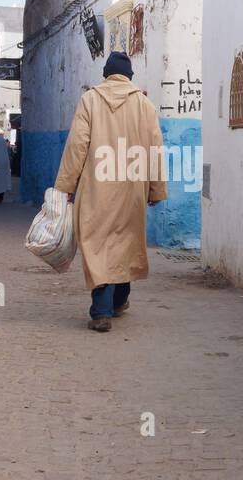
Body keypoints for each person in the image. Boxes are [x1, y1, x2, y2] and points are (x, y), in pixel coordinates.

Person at [54, 51, 167, 332]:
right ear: (129, 77)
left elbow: (77, 145)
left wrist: (66, 186)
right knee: (125, 242)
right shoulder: (145, 105)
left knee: (98, 245)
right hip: (133, 187)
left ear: (106, 75)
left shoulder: (90, 100)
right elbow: (155, 149)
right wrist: (155, 189)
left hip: (97, 189)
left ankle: (102, 311)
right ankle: (118, 301)